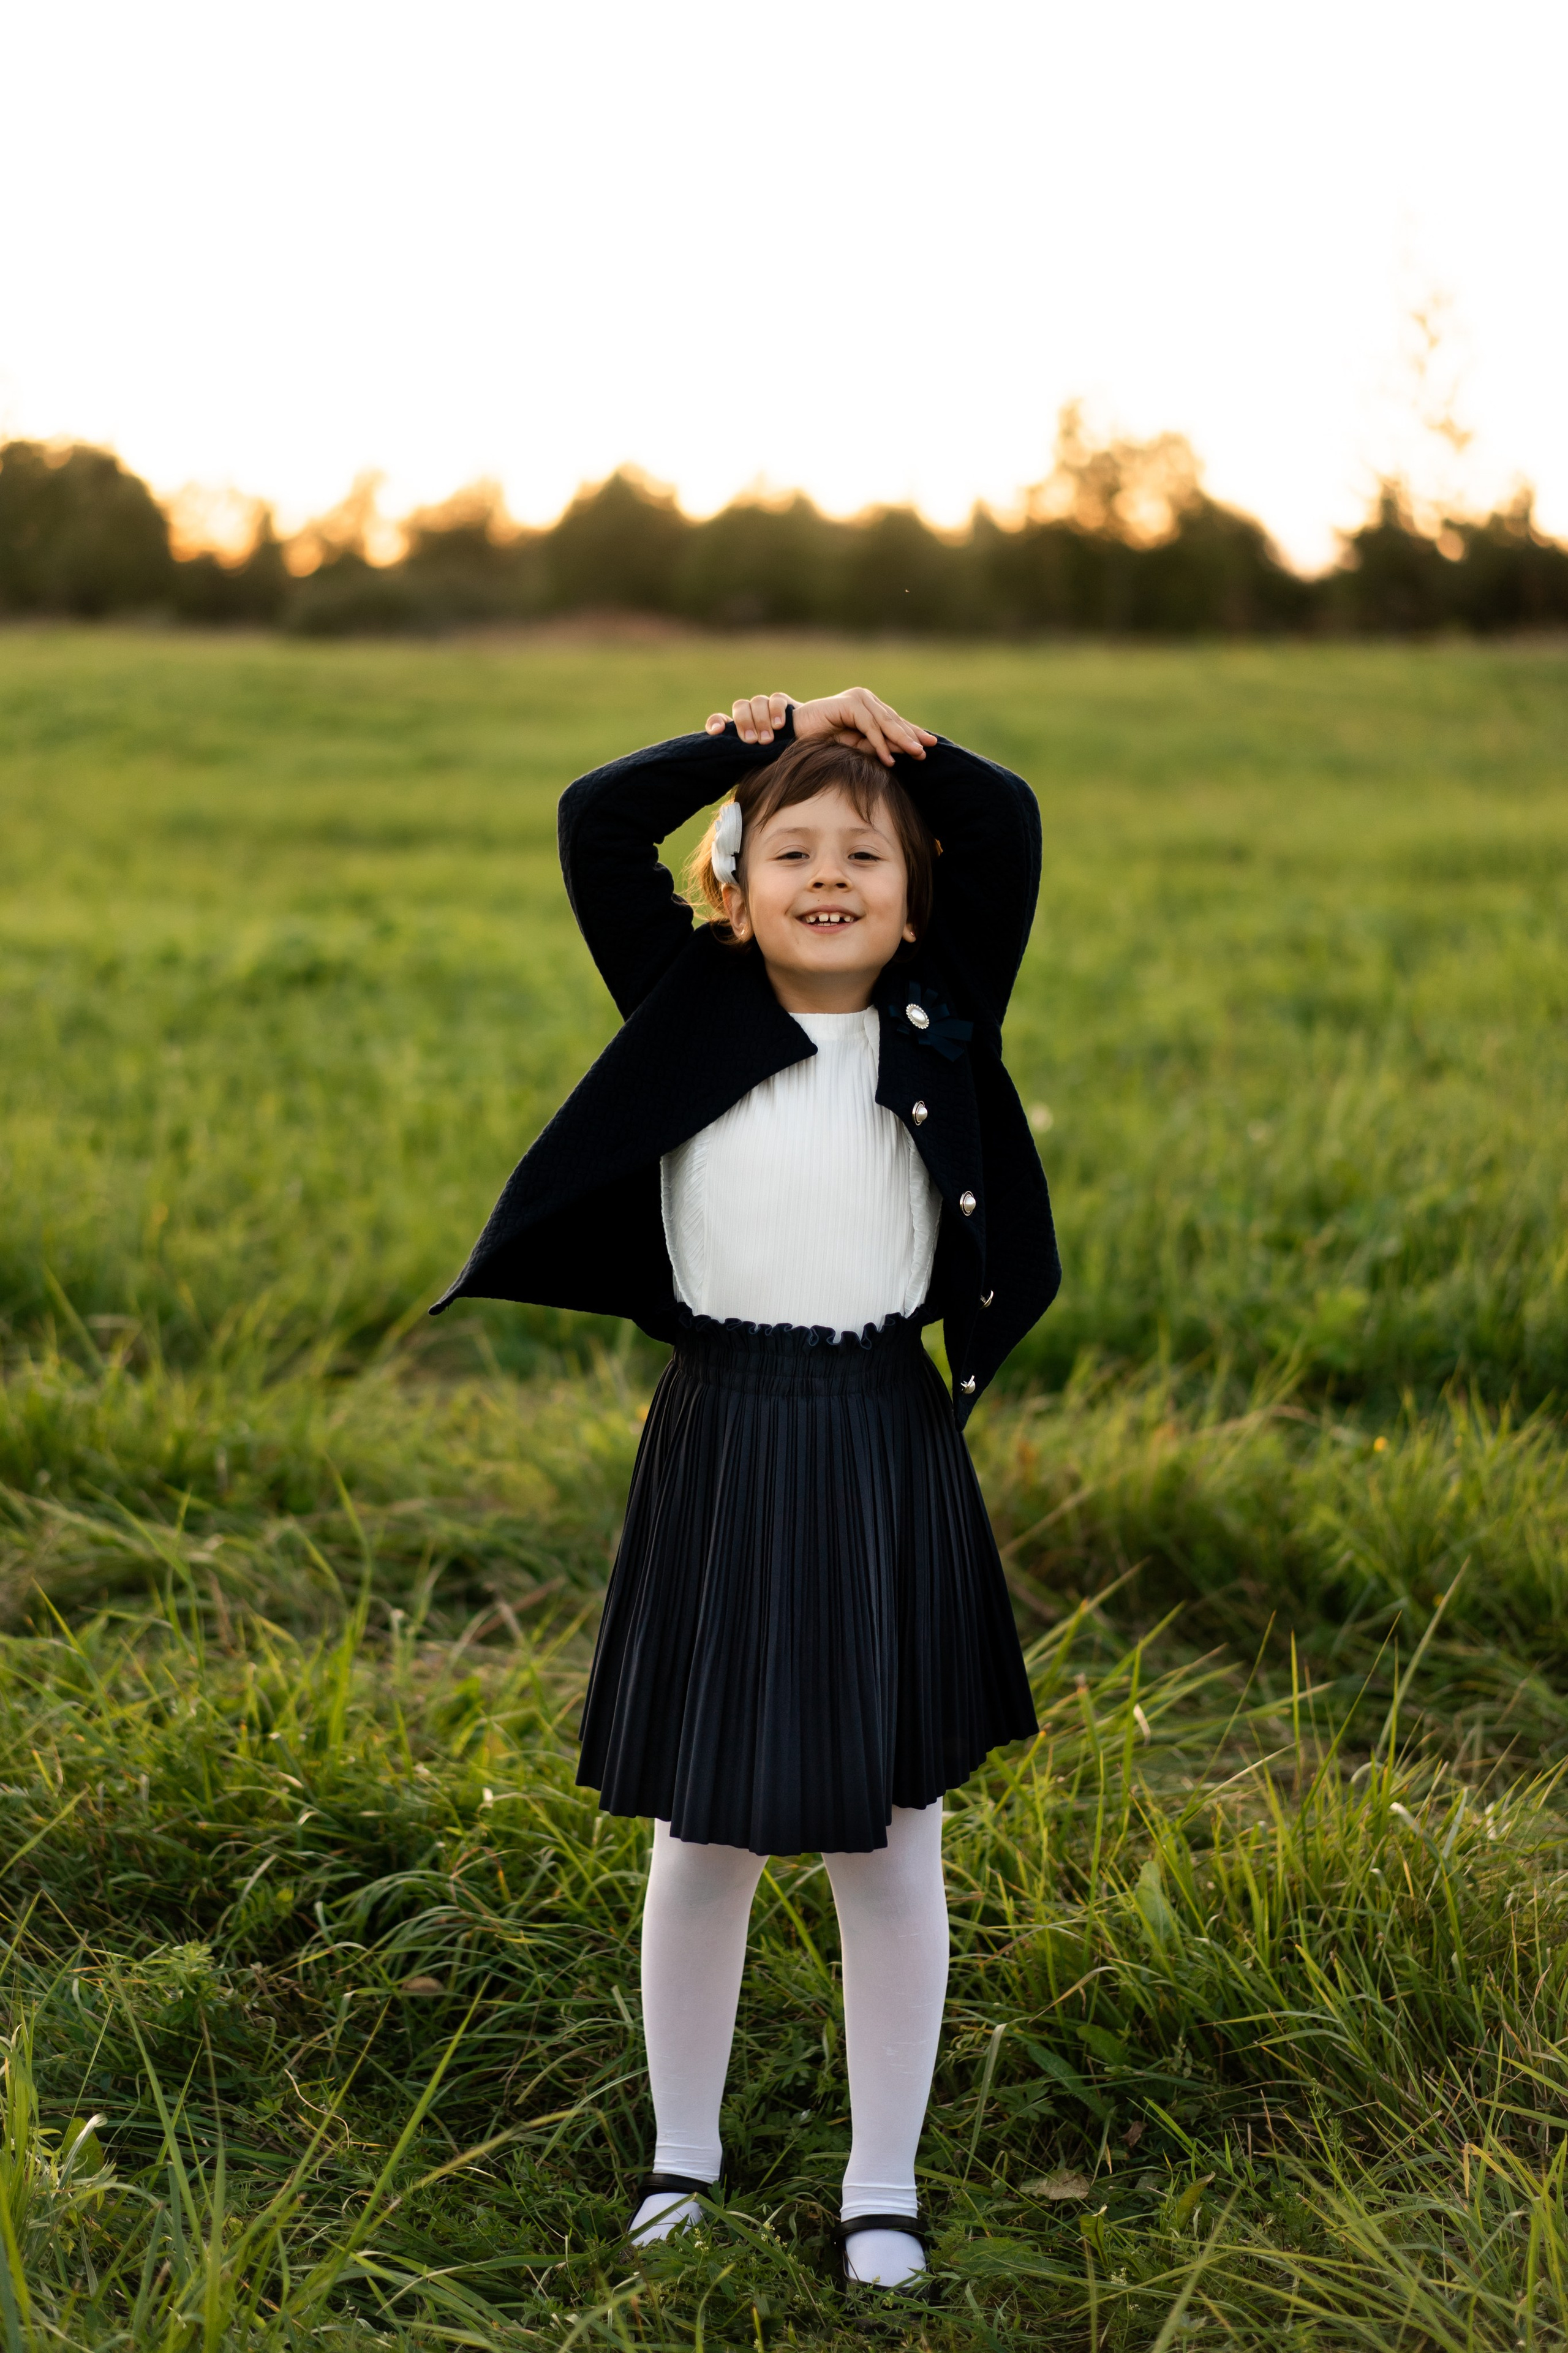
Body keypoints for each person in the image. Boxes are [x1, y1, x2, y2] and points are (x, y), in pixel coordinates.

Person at [431, 686, 1060, 2290]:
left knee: (892, 1835)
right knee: (700, 1835)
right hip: (723, 1424)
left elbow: (1012, 827)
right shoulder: (688, 1001)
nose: (831, 872)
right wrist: (745, 737)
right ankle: (682, 2156)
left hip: (878, 1431)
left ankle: (882, 2180)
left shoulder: (942, 1008)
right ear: (735, 880)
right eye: (793, 847)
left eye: (867, 852)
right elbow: (590, 819)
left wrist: (894, 740)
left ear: (918, 895)